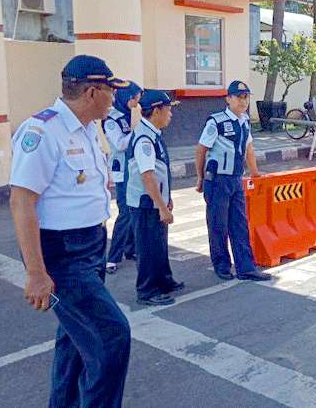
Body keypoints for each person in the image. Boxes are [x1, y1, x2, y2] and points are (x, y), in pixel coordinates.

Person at [9, 55, 131, 407]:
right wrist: (35, 273)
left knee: (76, 341)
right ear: (93, 92)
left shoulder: (88, 129)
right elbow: (21, 202)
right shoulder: (43, 131)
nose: (115, 98)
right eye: (111, 90)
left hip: (92, 245)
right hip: (62, 254)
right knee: (111, 337)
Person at [196, 81, 272, 281]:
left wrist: (255, 172)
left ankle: (246, 267)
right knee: (218, 225)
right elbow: (201, 149)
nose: (243, 101)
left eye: (246, 97)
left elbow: (249, 149)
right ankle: (221, 265)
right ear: (228, 99)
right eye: (239, 97)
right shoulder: (216, 122)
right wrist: (200, 177)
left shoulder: (245, 121)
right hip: (218, 180)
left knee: (239, 224)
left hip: (235, 179)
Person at [125, 89, 184, 305]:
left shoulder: (152, 134)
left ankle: (164, 281)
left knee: (159, 244)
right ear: (157, 110)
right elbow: (147, 177)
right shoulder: (144, 139)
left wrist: (166, 198)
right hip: (145, 202)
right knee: (148, 247)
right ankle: (147, 290)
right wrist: (162, 207)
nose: (170, 114)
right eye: (168, 110)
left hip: (154, 200)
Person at [103, 81, 142, 273]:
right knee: (125, 212)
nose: (136, 102)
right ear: (126, 98)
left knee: (136, 209)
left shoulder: (132, 115)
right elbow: (119, 144)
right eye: (134, 98)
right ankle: (112, 258)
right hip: (122, 171)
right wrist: (137, 130)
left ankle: (131, 249)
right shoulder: (112, 120)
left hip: (135, 169)